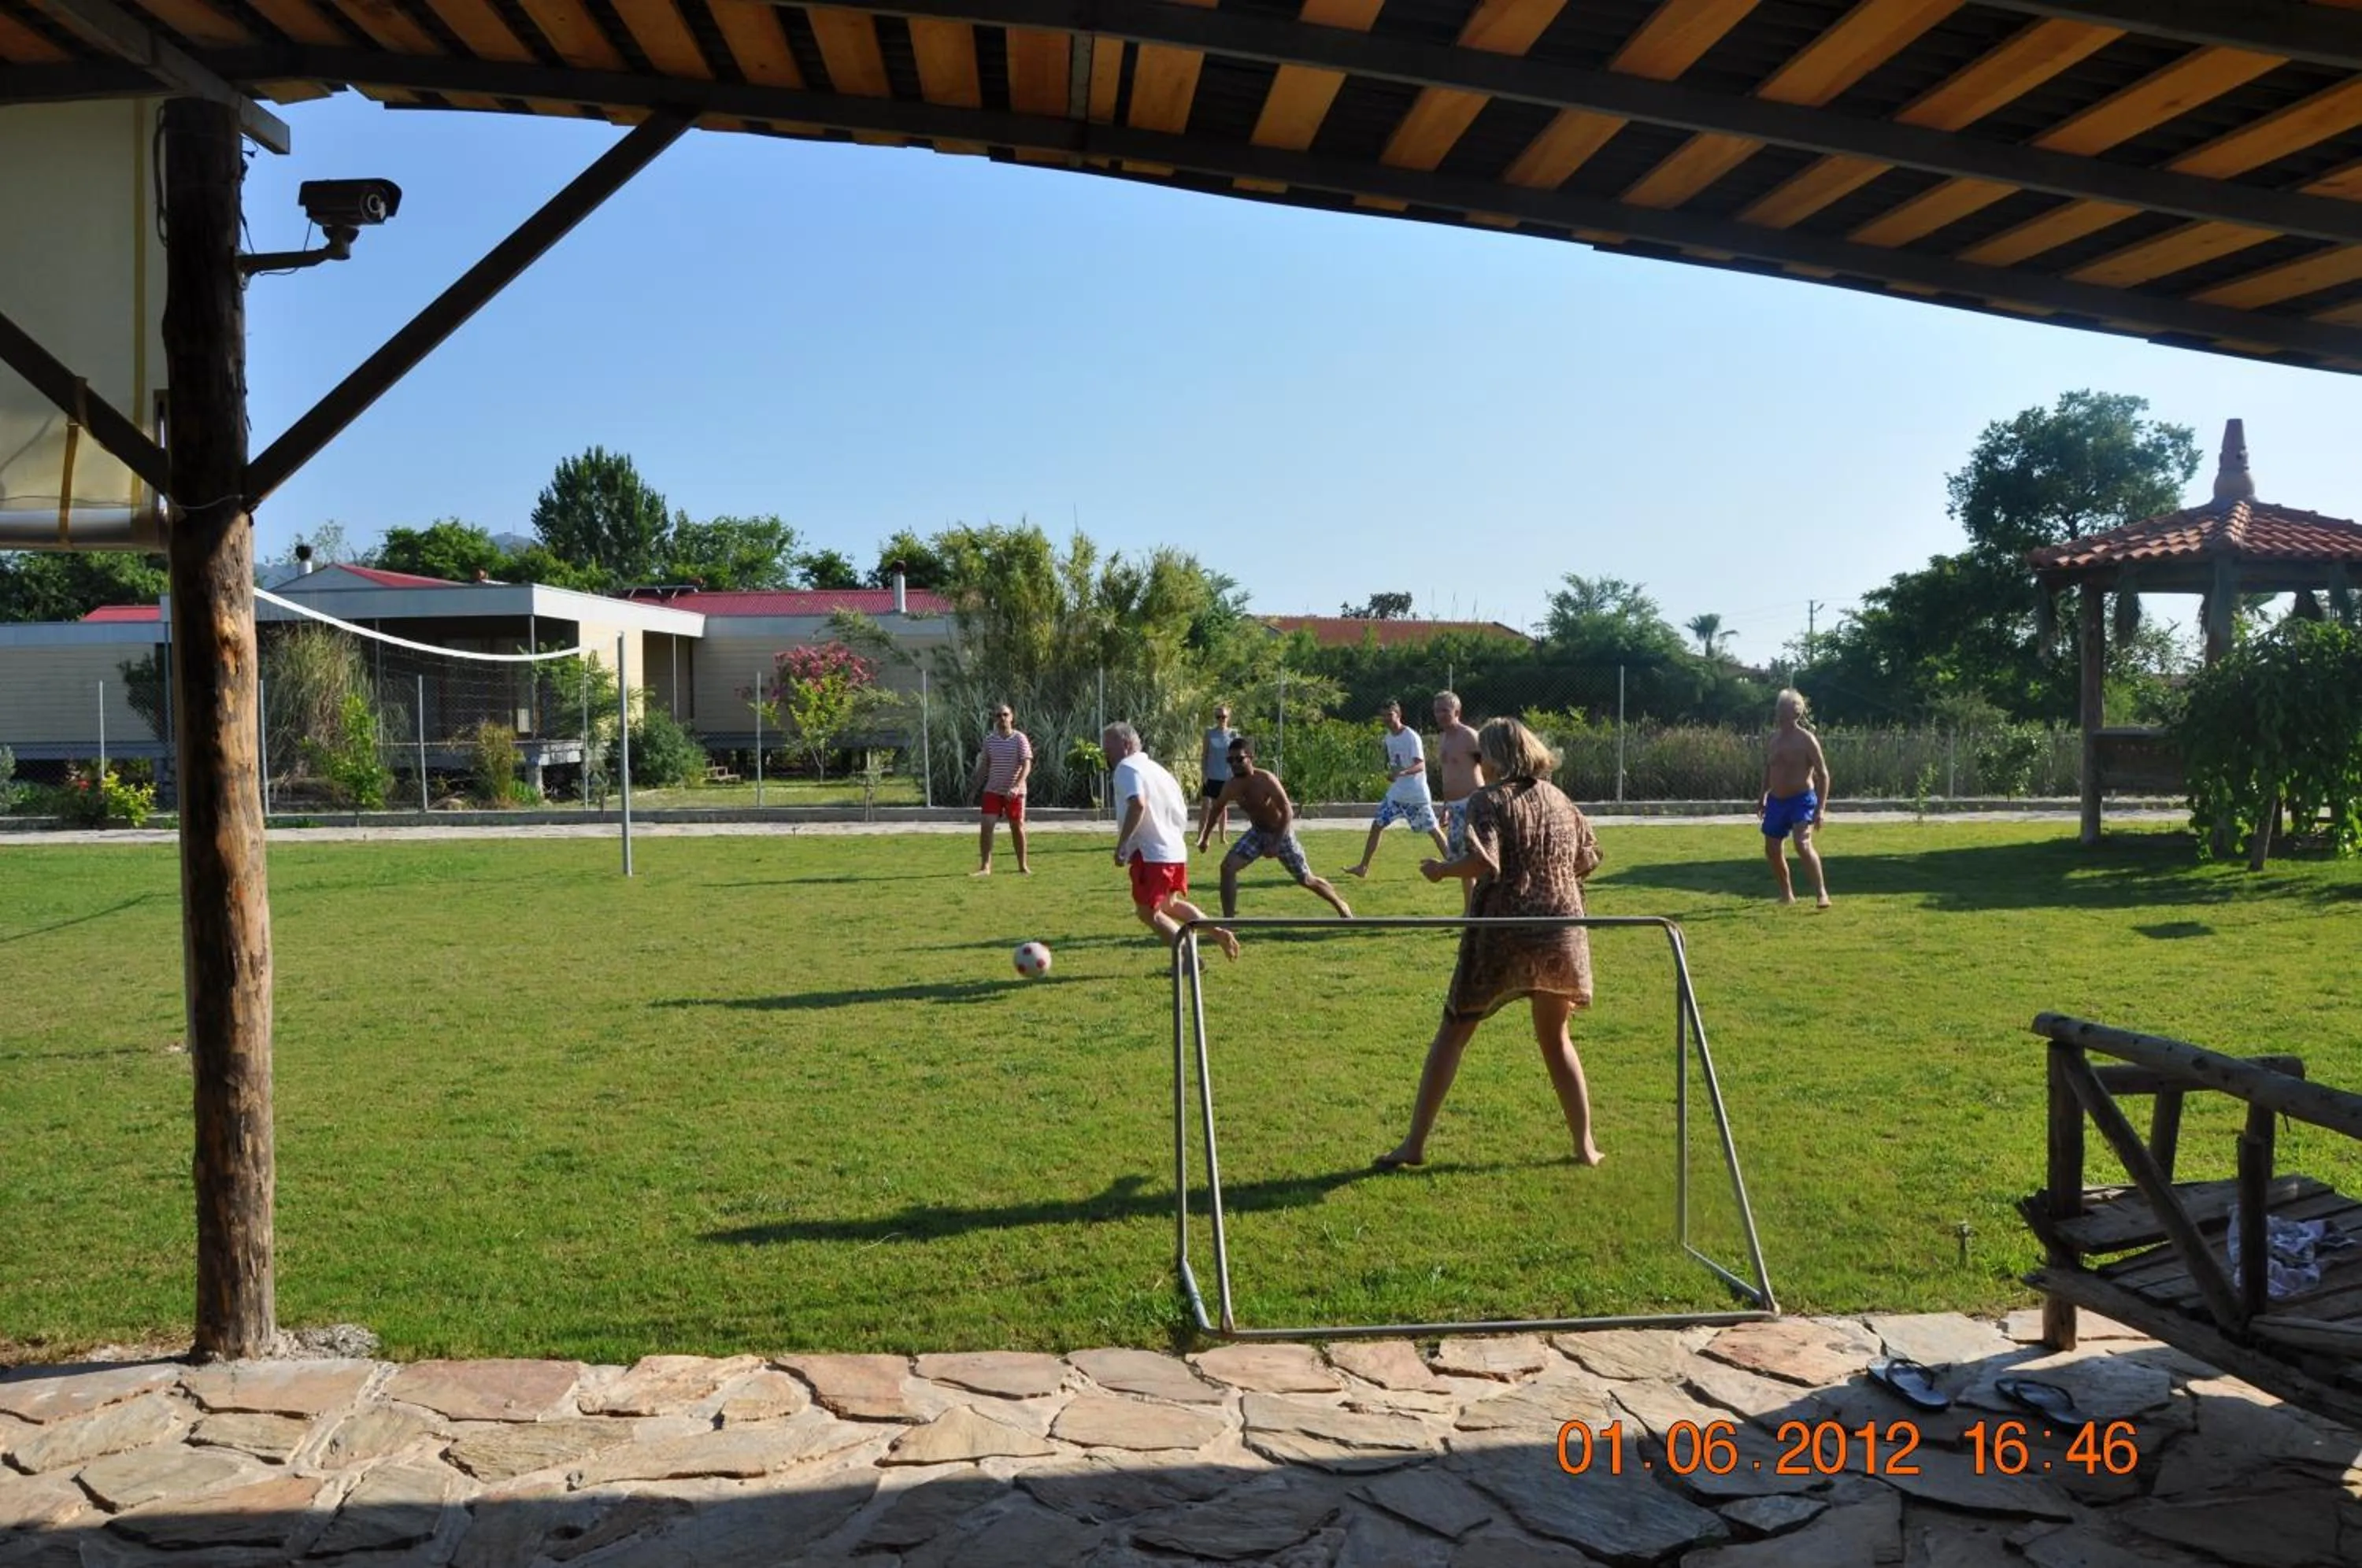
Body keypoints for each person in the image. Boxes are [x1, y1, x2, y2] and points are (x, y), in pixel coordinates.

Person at [1377, 718, 1605, 1170]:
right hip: (1560, 927)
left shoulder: (1488, 799)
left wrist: (1443, 871)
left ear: (1497, 757)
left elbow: (1485, 861)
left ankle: (1415, 1145)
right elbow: (1589, 857)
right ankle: (1585, 1147)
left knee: (1455, 1028)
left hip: (1503, 927)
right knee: (1556, 1038)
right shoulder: (1561, 799)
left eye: (1483, 756)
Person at [1106, 722, 1239, 960]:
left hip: (1152, 853)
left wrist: (1123, 844)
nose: (1105, 752)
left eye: (1108, 747)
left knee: (1149, 913)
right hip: (1174, 850)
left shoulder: (1126, 767)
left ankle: (1190, 960)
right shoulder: (1158, 770)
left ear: (1126, 745)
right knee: (1170, 905)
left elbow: (1137, 804)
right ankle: (1219, 933)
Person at [1198, 736, 1353, 919]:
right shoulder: (1231, 786)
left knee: (1306, 879)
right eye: (1230, 760)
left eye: (1239, 759)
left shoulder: (1266, 780)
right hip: (1257, 833)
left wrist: (1277, 843)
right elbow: (1217, 809)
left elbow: (1288, 811)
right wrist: (1205, 837)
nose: (1235, 764)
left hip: (1281, 832)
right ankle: (1229, 921)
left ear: (1251, 757)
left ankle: (1340, 904)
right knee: (1227, 868)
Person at [1343, 697, 1449, 878]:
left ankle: (1456, 866)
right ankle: (1363, 867)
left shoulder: (1411, 736)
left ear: (1398, 715)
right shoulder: (1388, 738)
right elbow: (1397, 764)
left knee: (1434, 831)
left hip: (1415, 796)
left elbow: (1420, 766)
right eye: (1384, 716)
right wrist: (1394, 774)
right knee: (1377, 825)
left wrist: (1400, 774)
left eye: (1390, 715)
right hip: (1396, 795)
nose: (1387, 719)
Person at [1760, 688, 1831, 908]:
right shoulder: (1773, 739)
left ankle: (1821, 894)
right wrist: (1761, 796)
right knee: (1772, 849)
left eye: (1786, 709)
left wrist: (1820, 809)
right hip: (1776, 801)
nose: (1780, 714)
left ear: (1797, 712)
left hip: (1801, 799)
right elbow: (1768, 769)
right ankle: (1786, 894)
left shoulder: (1806, 739)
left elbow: (1823, 774)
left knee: (1802, 843)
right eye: (1779, 708)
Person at [1431, 690, 1485, 908]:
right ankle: (1469, 910)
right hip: (1454, 808)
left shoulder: (1470, 736)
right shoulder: (1443, 738)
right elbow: (1448, 774)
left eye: (1445, 710)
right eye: (1437, 710)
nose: (1440, 714)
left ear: (1457, 711)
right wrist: (1445, 806)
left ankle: (1486, 909)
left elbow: (1489, 766)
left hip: (1473, 803)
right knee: (1464, 863)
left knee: (1479, 859)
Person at [969, 702, 1032, 876]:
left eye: (1005, 715)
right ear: (994, 719)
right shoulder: (990, 741)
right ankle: (985, 867)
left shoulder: (1020, 739)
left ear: (1012, 717)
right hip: (993, 790)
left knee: (1017, 826)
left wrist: (1017, 786)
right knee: (986, 826)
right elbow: (984, 766)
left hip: (1015, 792)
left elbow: (1027, 765)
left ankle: (1022, 866)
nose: (1002, 718)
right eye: (998, 715)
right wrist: (975, 788)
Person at [1198, 704, 1239, 848]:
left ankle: (1222, 837)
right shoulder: (1210, 733)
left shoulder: (1233, 734)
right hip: (1211, 775)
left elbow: (1238, 755)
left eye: (1224, 717)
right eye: (1218, 717)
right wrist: (1203, 773)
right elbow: (1205, 755)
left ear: (1228, 718)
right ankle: (1201, 836)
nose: (1221, 719)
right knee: (1206, 806)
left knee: (1222, 807)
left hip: (1226, 776)